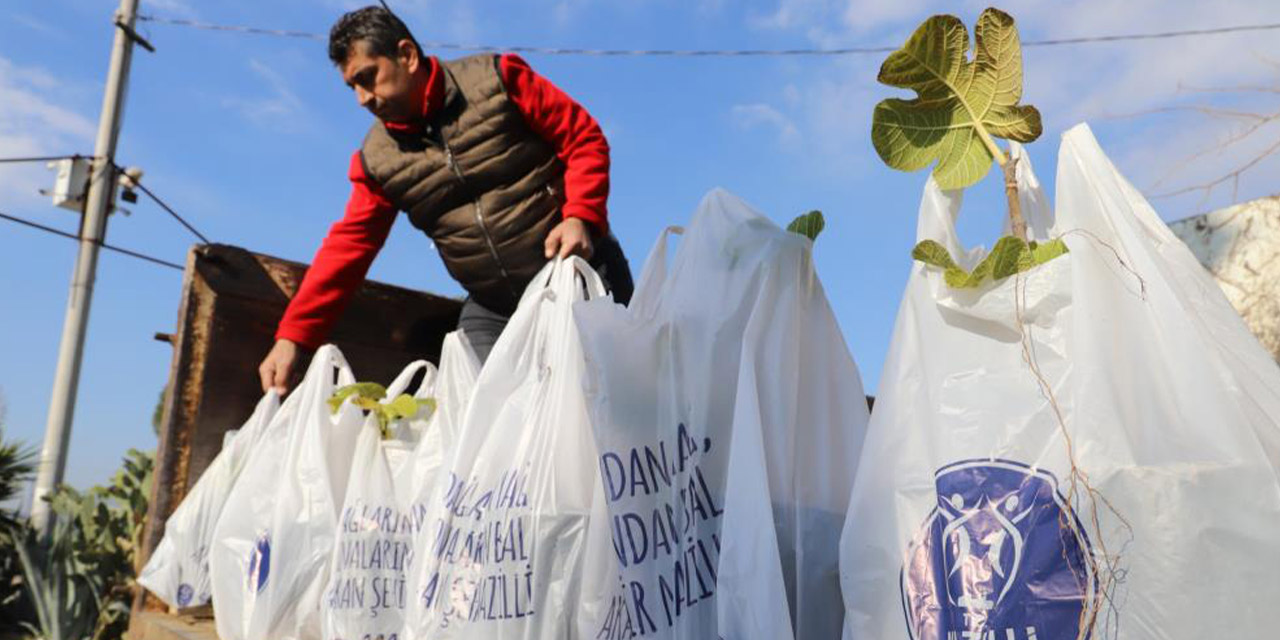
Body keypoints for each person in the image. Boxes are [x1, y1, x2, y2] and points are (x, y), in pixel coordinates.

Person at [258, 6, 632, 393]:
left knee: (612, 396)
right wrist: (293, 337)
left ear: (406, 55)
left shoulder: (499, 79)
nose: (362, 98)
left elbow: (583, 139)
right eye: (352, 86)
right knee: (485, 407)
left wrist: (580, 216)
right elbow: (350, 245)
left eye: (367, 77)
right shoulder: (377, 161)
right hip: (495, 308)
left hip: (580, 273)